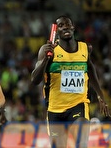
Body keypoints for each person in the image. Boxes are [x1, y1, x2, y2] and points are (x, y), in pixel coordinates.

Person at [31, 15, 110, 148]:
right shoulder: (47, 50)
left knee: (81, 143)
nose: (65, 27)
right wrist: (46, 59)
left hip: (78, 104)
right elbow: (34, 80)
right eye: (61, 25)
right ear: (56, 31)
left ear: (73, 27)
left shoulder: (85, 48)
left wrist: (100, 95)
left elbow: (91, 71)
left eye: (68, 24)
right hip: (55, 110)